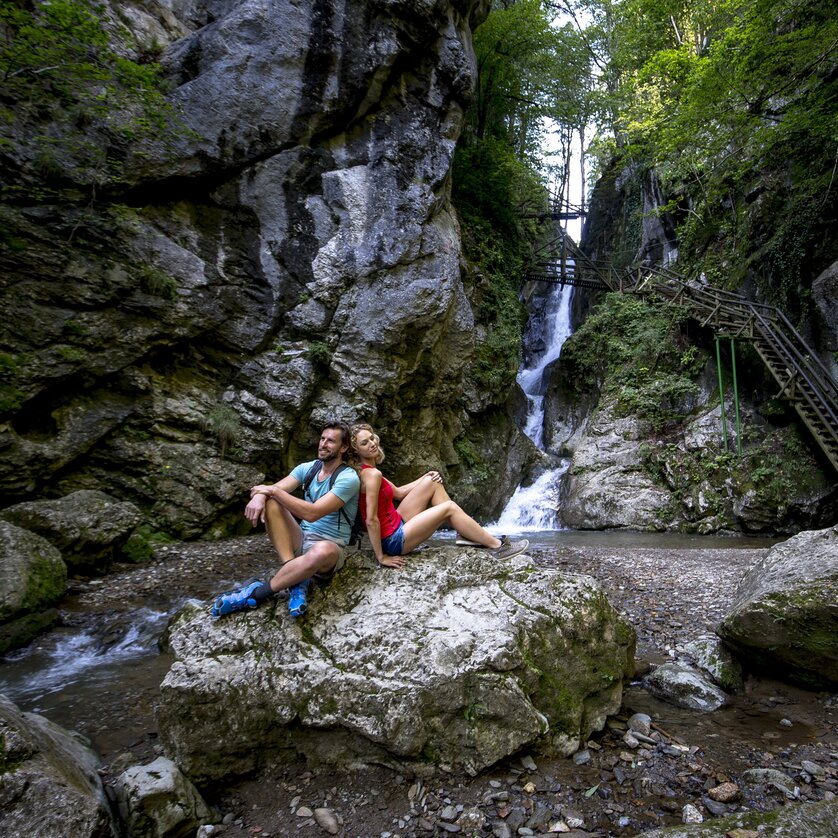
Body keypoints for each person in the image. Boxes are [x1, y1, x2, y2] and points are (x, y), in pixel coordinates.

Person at [211, 421, 360, 618]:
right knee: (272, 502)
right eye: (322, 438)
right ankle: (297, 580)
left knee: (322, 550)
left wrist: (270, 490)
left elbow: (312, 513)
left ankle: (257, 593)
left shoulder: (348, 478)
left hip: (330, 547)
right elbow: (270, 490)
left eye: (330, 441)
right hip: (301, 538)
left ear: (343, 447)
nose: (323, 444)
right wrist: (260, 496)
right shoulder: (308, 468)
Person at [349, 423, 528, 567]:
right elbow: (371, 520)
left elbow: (399, 493)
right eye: (364, 443)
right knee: (448, 508)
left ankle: (465, 535)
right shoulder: (371, 476)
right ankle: (497, 546)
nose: (372, 443)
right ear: (355, 450)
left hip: (397, 521)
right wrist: (381, 557)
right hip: (393, 541)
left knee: (433, 482)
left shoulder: (369, 471)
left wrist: (426, 477)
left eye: (372, 438)